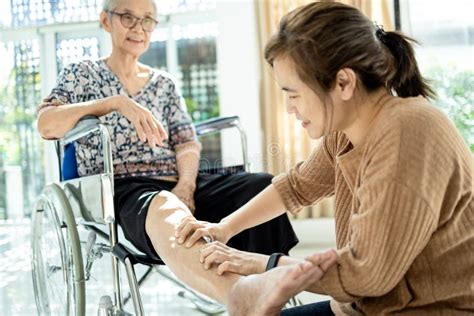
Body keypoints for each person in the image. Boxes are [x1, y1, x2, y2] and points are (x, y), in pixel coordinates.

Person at [175, 2, 474, 315]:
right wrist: (224, 228)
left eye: (293, 94)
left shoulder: (408, 132)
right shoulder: (346, 131)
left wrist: (264, 266)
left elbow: (367, 274)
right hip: (364, 308)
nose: (290, 108)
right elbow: (297, 186)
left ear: (343, 83)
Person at [36, 0, 299, 305]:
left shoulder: (164, 85)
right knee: (164, 207)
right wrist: (114, 103)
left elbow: (186, 142)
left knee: (260, 186)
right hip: (124, 186)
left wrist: (185, 186)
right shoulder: (82, 74)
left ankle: (271, 286)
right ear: (106, 21)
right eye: (128, 18)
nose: (138, 28)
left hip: (178, 181)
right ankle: (244, 299)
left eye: (148, 20)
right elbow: (46, 124)